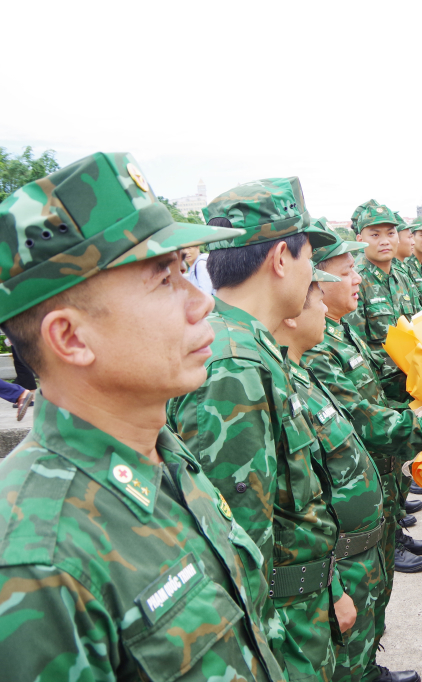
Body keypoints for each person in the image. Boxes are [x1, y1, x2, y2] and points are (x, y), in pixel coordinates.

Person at [0, 152, 285, 681]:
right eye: (164, 280)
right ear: (71, 337)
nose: (202, 303)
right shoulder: (37, 561)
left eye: (185, 271)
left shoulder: (165, 454)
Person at [167, 177, 352, 682]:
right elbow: (236, 537)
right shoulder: (233, 365)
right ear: (279, 260)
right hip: (281, 627)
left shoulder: (253, 348)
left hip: (301, 605)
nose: (314, 273)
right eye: (311, 258)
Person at [304, 236, 422, 679]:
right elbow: (364, 421)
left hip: (377, 486)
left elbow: (377, 395)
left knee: (375, 596)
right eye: (345, 272)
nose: (357, 277)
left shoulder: (338, 333)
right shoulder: (317, 348)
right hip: (351, 504)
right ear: (316, 285)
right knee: (355, 608)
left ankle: (368, 668)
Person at [277, 275, 422, 682]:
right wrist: (332, 585)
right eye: (316, 296)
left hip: (358, 545)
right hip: (329, 564)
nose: (324, 306)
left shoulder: (300, 366)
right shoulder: (273, 373)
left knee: (362, 641)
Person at [349, 201, 419, 407]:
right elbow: (355, 349)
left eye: (390, 233)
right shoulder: (356, 281)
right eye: (375, 235)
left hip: (414, 384)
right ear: (360, 239)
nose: (384, 241)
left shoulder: (402, 277)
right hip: (381, 396)